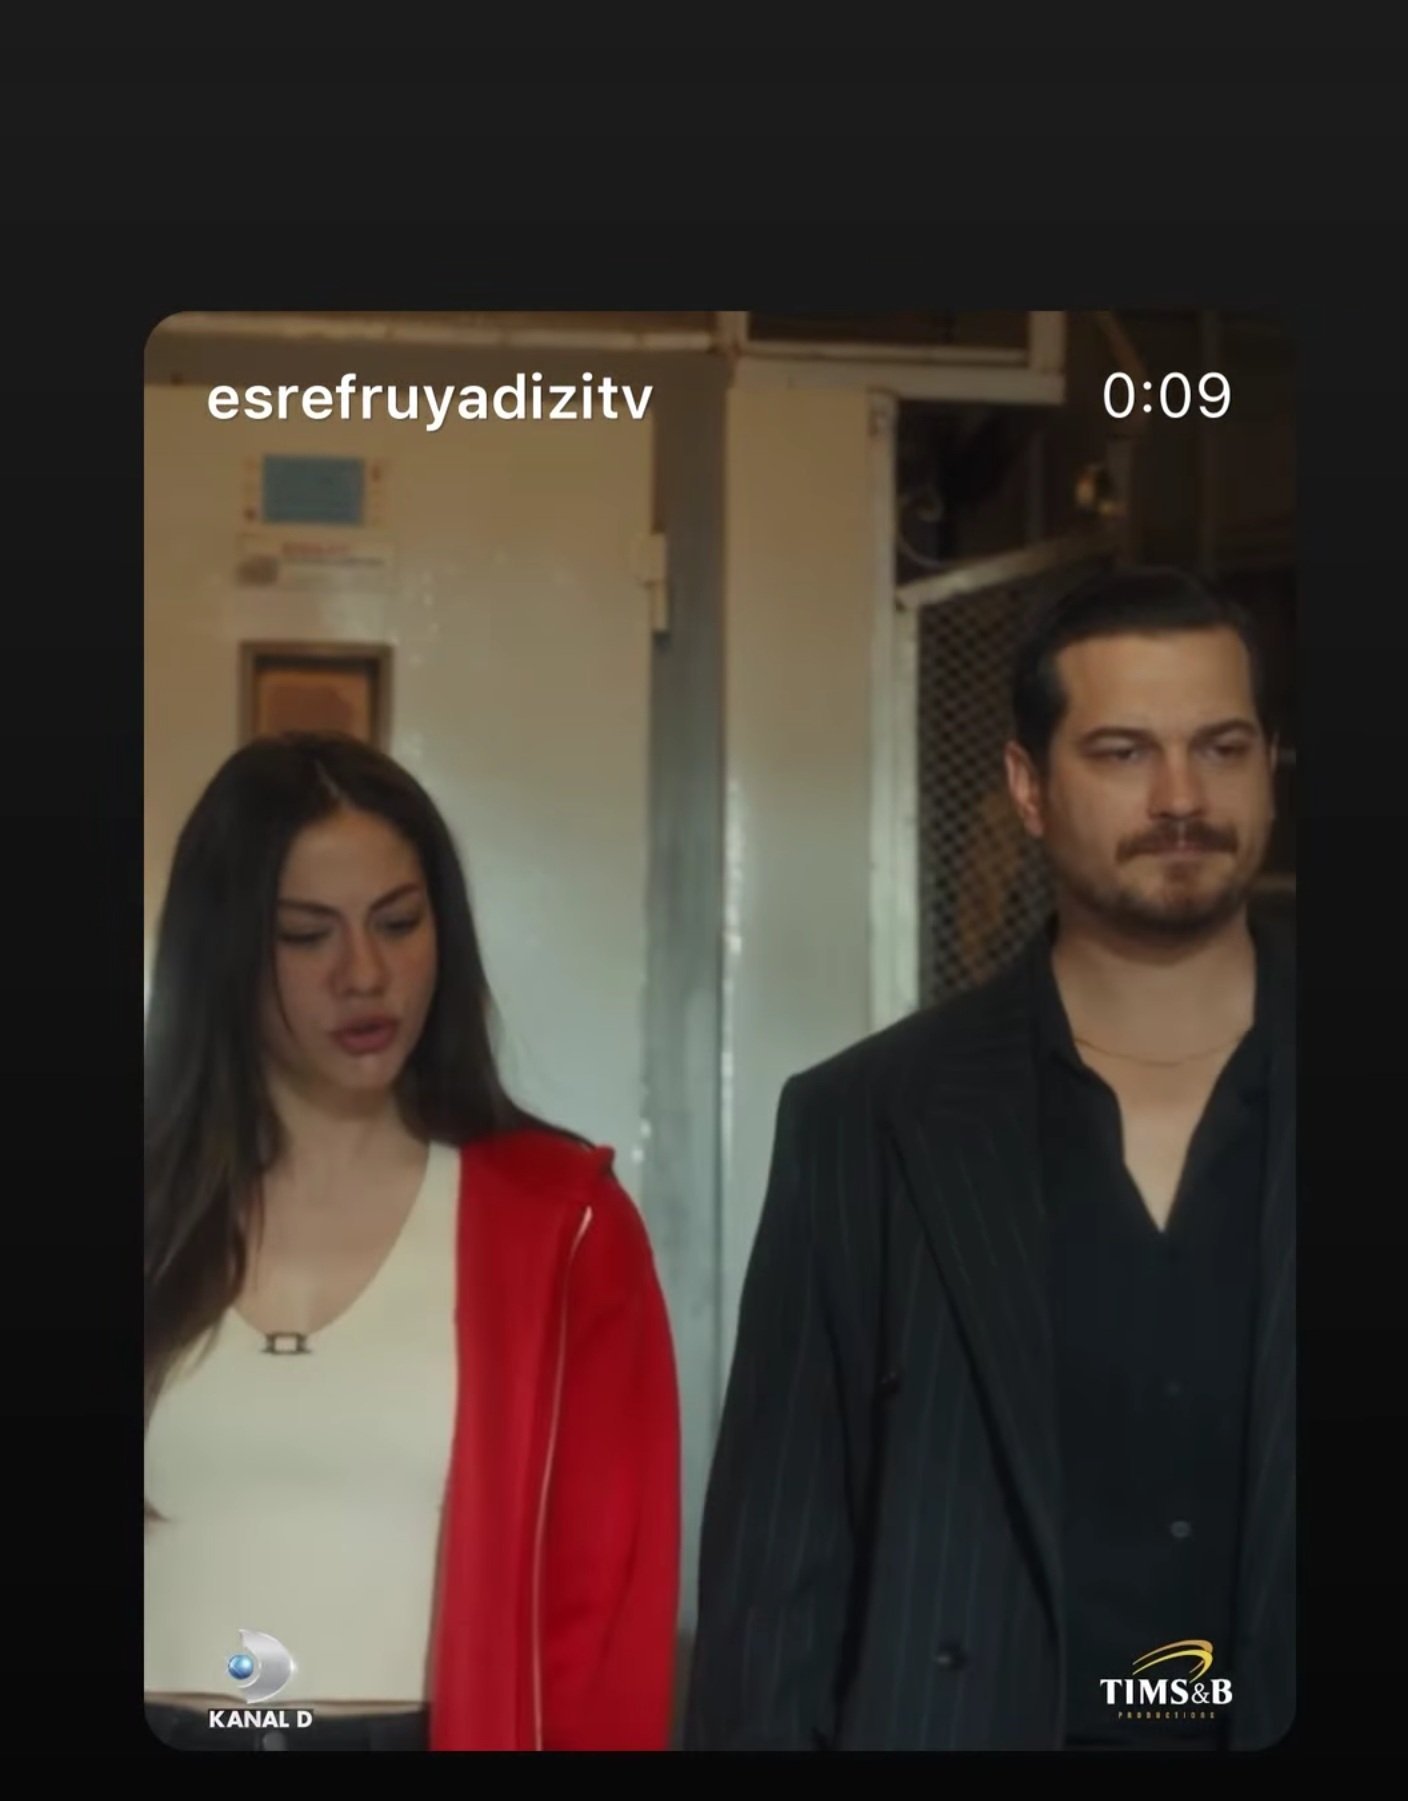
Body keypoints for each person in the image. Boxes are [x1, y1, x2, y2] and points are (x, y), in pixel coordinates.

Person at [686, 566, 1294, 1752]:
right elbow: (778, 1575)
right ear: (1028, 784)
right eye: (1123, 752)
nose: (1181, 796)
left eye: (1221, 747)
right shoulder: (866, 1120)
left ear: (1270, 763)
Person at [144, 733, 681, 1751]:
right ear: (225, 951)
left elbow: (605, 1617)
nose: (366, 973)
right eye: (306, 934)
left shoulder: (563, 1227)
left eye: (399, 922)